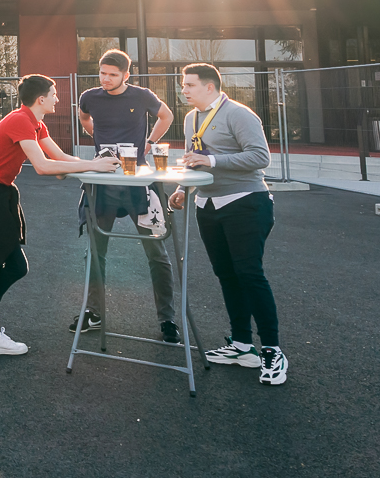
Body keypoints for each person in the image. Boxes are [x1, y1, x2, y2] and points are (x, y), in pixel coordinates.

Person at [0, 74, 116, 356]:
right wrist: (93, 166)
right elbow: (42, 166)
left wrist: (96, 165)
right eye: (54, 94)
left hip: (0, 194)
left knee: (16, 267)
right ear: (41, 99)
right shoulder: (19, 120)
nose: (57, 98)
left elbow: (61, 158)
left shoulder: (35, 122)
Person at [169, 63, 285, 386]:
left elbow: (261, 157)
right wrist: (181, 189)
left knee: (249, 273)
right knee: (227, 275)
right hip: (207, 206)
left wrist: (214, 161)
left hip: (246, 203)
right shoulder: (191, 118)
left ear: (210, 87)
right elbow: (195, 159)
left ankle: (272, 350)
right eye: (183, 85)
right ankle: (242, 345)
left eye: (189, 85)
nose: (184, 90)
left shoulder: (239, 114)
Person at [75, 49, 181, 342]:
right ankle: (93, 313)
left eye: (112, 74)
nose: (106, 79)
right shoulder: (89, 97)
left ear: (126, 75)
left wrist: (149, 141)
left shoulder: (141, 95)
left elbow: (167, 115)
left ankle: (167, 319)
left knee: (156, 252)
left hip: (138, 183)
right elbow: (84, 117)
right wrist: (93, 133)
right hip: (103, 183)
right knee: (96, 251)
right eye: (102, 73)